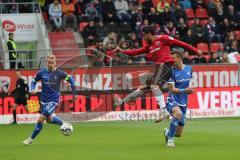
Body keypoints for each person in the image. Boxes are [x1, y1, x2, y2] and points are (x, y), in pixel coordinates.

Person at [113, 26, 202, 121]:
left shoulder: (163, 38)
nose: (143, 38)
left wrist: (196, 51)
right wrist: (122, 51)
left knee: (154, 86)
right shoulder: (150, 46)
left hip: (165, 66)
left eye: (144, 36)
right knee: (143, 87)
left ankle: (163, 111)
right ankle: (121, 102)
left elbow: (181, 43)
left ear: (149, 34)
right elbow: (136, 52)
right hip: (160, 69)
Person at [23, 55, 76, 145]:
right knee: (49, 119)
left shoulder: (59, 73)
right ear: (46, 63)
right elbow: (33, 81)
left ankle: (30, 139)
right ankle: (62, 123)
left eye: (52, 63)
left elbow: (71, 80)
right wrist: (32, 88)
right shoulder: (41, 73)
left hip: (53, 101)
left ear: (55, 63)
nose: (50, 64)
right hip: (44, 101)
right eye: (49, 63)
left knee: (40, 119)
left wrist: (74, 95)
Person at [162, 51, 195, 147]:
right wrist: (185, 90)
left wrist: (185, 91)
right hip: (172, 99)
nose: (171, 60)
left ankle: (168, 133)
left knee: (179, 134)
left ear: (180, 58)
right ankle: (170, 141)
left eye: (173, 58)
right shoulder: (171, 71)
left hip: (183, 101)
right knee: (178, 113)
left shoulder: (189, 69)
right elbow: (171, 89)